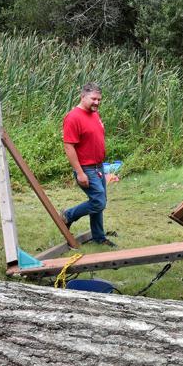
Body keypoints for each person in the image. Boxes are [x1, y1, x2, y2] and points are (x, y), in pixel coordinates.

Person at [60, 82, 116, 247]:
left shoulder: (95, 114)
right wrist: (79, 172)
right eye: (93, 99)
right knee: (98, 201)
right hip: (86, 168)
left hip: (98, 167)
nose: (97, 103)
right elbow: (69, 146)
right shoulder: (73, 117)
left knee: (98, 202)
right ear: (82, 97)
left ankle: (99, 237)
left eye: (99, 99)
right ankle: (68, 215)